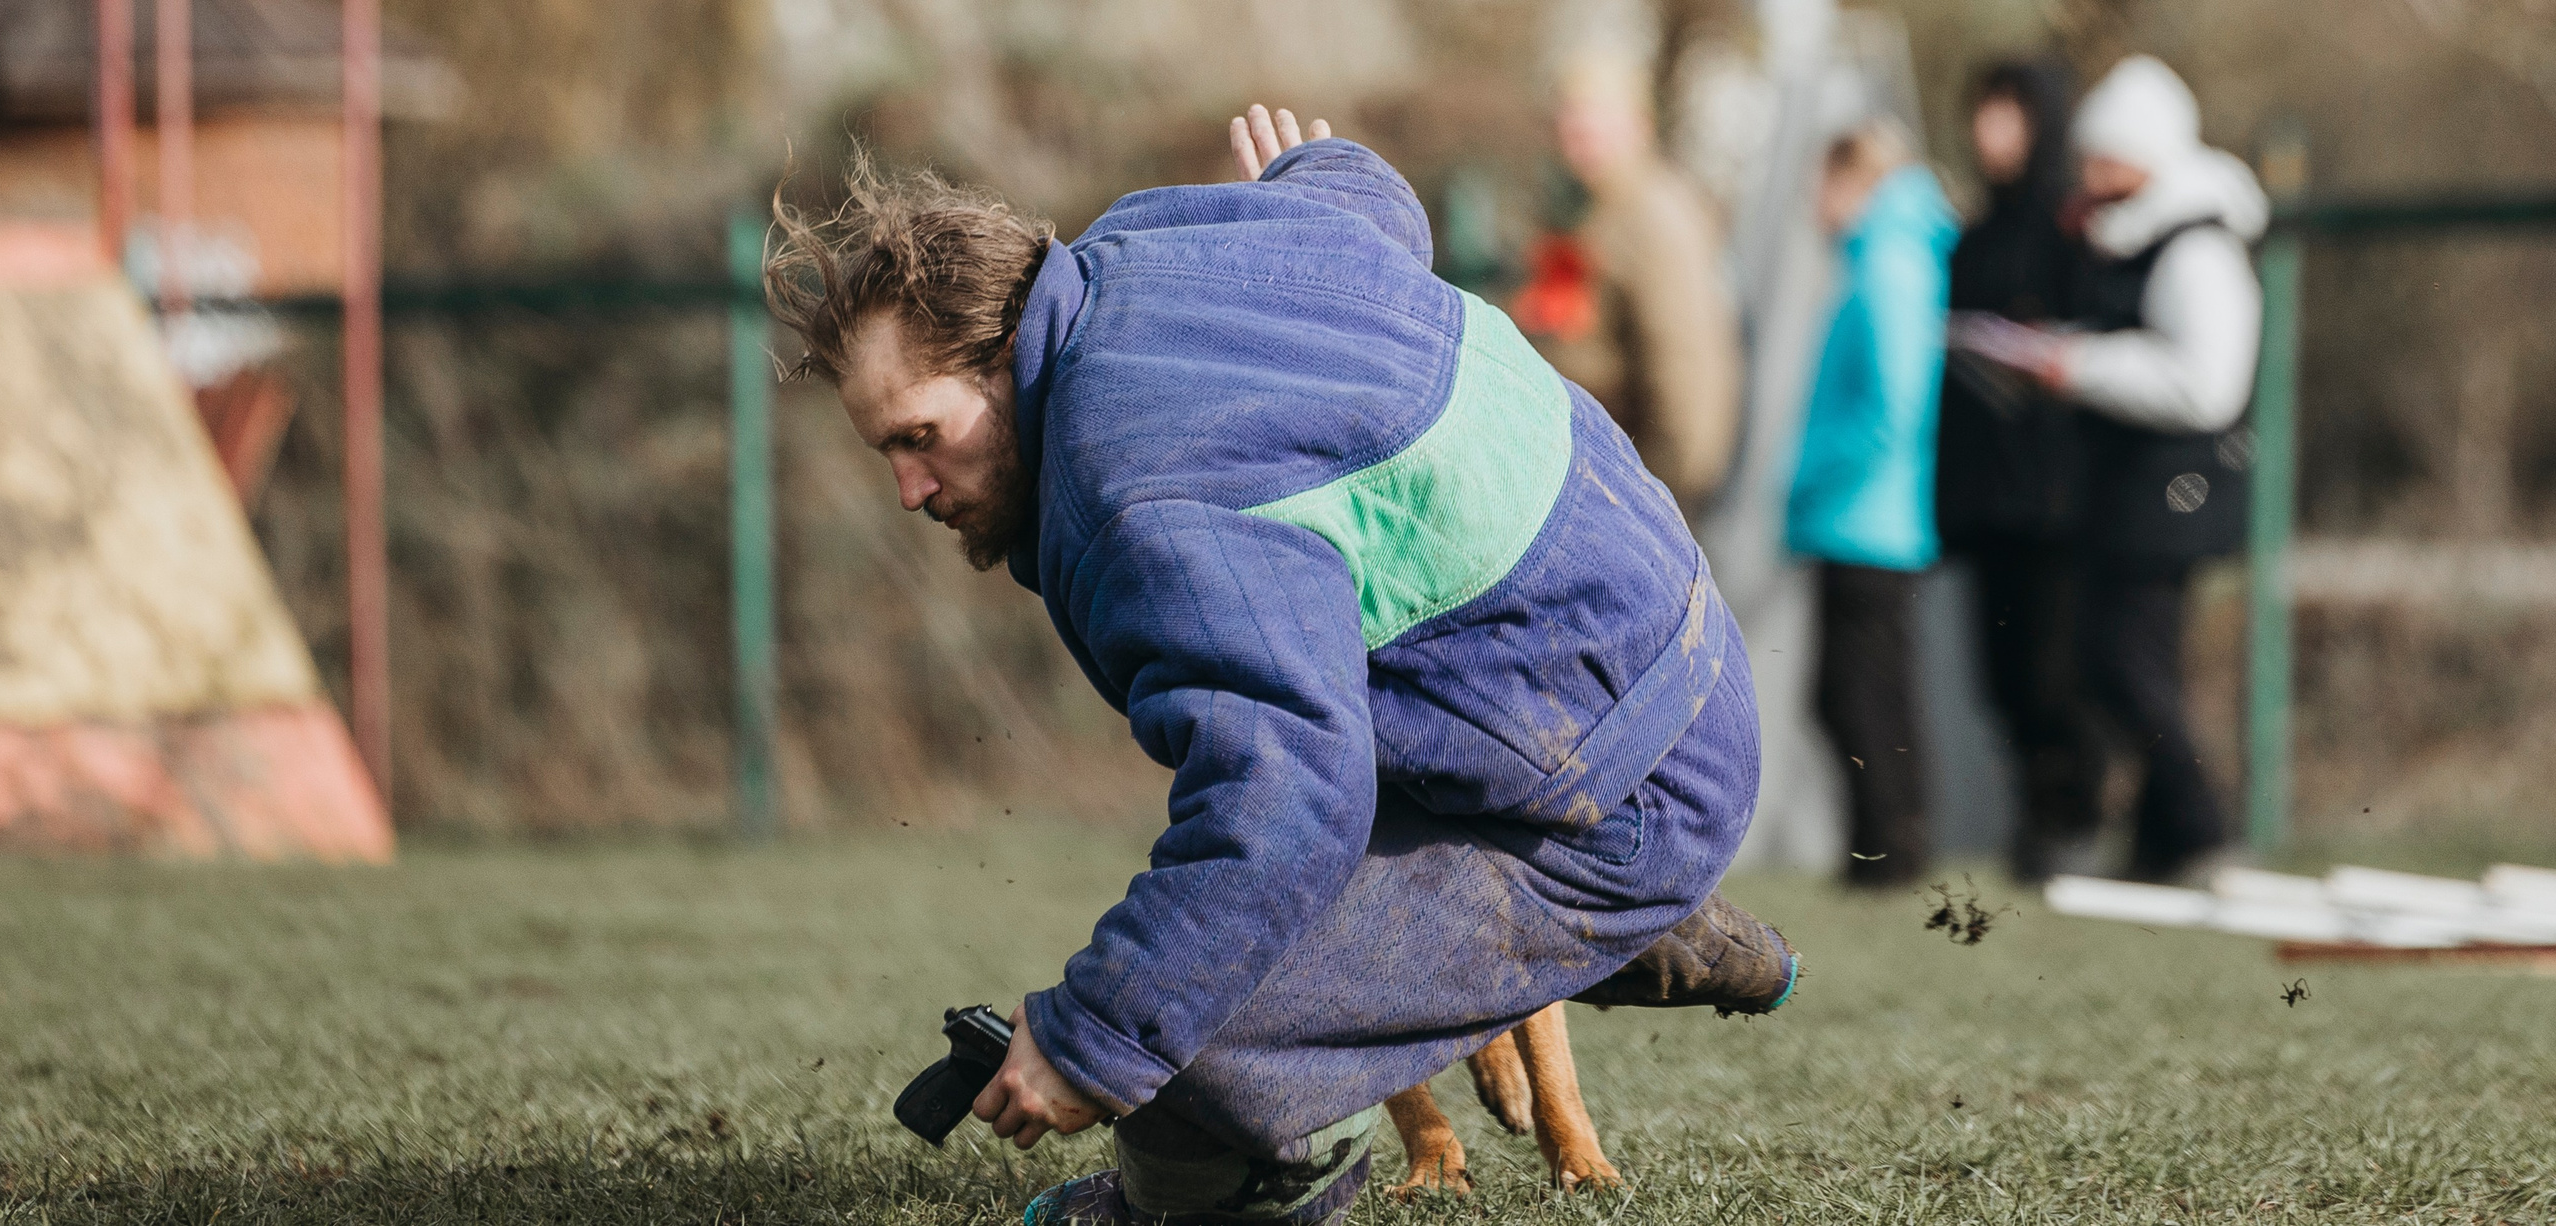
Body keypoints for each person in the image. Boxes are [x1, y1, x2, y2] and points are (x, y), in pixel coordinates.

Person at [765, 106, 1795, 1226]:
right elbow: (1376, 208)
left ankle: (1257, 1173)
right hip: (1649, 662)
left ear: (1001, 354)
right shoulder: (1156, 245)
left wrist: (1094, 1036)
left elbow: (1289, 798)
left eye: (919, 434)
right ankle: (1620, 912)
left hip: (1615, 770)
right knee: (1235, 914)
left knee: (1185, 1042)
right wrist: (1313, 176)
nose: (910, 489)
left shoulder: (1133, 486)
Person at [2043, 56, 2265, 885]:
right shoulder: (2128, 238)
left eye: (2106, 157)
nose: (2089, 175)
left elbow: (2207, 385)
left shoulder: (2194, 248)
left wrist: (2081, 367)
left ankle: (2203, 828)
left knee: (2126, 664)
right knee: (2130, 663)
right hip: (2128, 489)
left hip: (2169, 489)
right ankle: (2164, 843)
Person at [1935, 60, 2108, 882]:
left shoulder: (2070, 235)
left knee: (2052, 678)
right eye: (1981, 114)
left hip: (2054, 501)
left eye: (2006, 115)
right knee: (1998, 681)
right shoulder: (1969, 241)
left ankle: (2073, 822)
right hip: (1983, 501)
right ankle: (2034, 830)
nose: (1988, 133)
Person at [1786, 119, 1958, 889]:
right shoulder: (1882, 260)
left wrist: (1815, 473)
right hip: (1861, 517)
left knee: (1859, 695)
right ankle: (1882, 846)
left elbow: (1893, 402)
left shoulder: (1888, 263)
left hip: (1866, 519)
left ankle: (1892, 849)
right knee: (1861, 692)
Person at [1514, 51, 1743, 506]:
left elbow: (1684, 358)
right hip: (1588, 467)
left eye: (1594, 123)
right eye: (1569, 121)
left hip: (1635, 482)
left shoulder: (1654, 214)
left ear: (1638, 124)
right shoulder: (1590, 205)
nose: (1576, 138)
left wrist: (1664, 489)